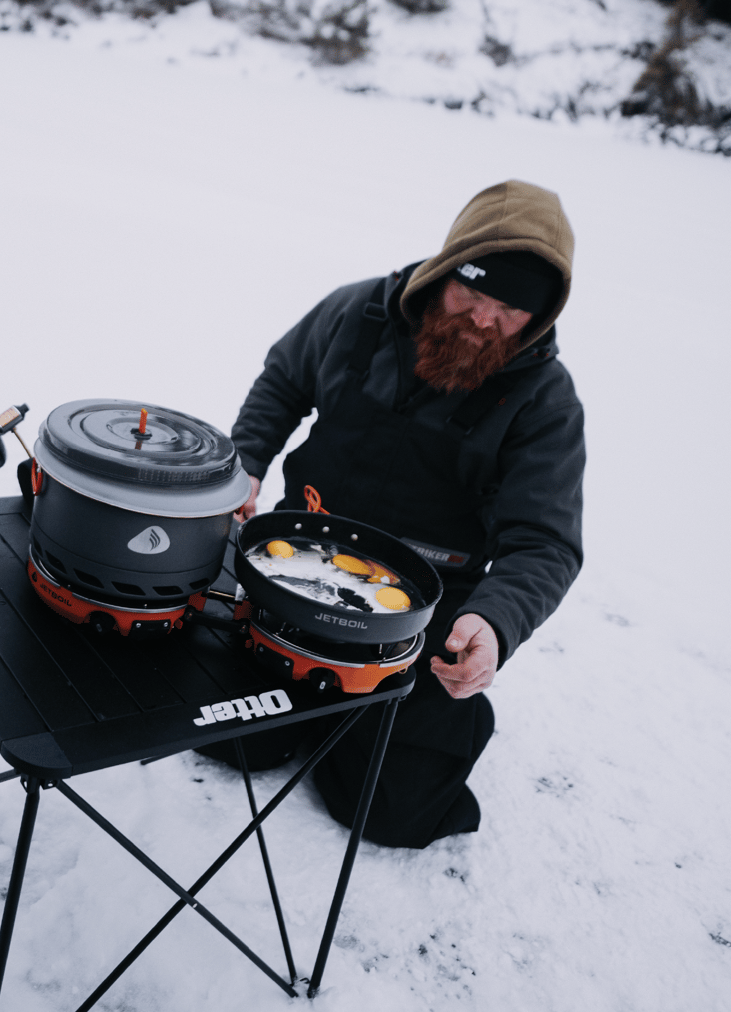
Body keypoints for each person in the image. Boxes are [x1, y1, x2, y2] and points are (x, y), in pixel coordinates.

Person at [228, 180, 584, 849]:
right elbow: (283, 380)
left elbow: (545, 543)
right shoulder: (358, 312)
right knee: (230, 740)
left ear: (538, 317)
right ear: (445, 270)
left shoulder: (545, 402)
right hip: (294, 571)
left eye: (509, 310)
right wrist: (245, 461)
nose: (483, 320)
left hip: (417, 616)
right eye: (471, 293)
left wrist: (495, 622)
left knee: (391, 811)